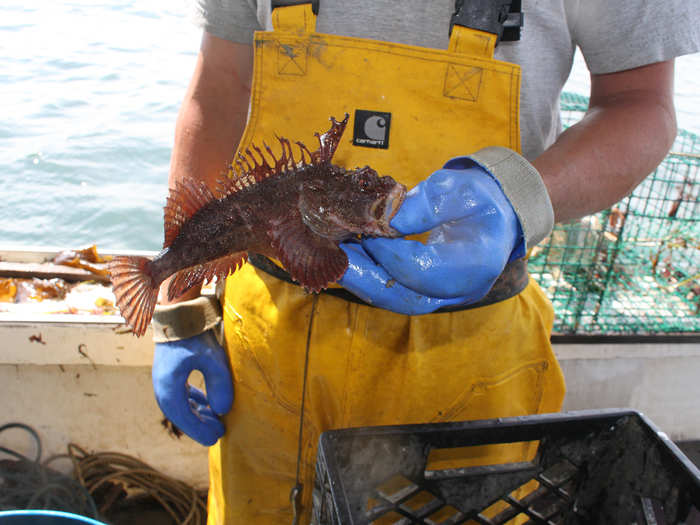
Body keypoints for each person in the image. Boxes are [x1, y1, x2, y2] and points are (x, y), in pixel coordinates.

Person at [149, 1, 700, 523]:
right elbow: (219, 88)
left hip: (470, 352)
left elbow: (640, 103)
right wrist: (179, 310)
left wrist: (516, 200)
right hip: (261, 345)